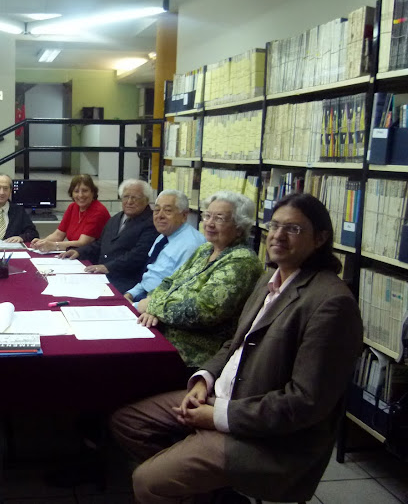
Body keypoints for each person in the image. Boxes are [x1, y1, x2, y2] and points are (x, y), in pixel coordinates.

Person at [110, 193, 363, 504]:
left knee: (147, 482)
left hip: (267, 437)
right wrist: (204, 379)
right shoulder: (271, 278)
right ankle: (209, 491)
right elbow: (235, 342)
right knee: (128, 422)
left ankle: (197, 480)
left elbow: (304, 403)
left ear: (320, 239)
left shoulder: (331, 303)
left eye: (293, 229)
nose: (278, 236)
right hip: (224, 394)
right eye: (275, 226)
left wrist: (217, 416)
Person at [137, 191, 263, 369]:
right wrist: (152, 305)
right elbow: (169, 282)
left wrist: (152, 306)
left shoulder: (241, 261)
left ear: (239, 226)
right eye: (208, 216)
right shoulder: (205, 249)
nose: (209, 223)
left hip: (192, 356)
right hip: (161, 332)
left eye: (219, 218)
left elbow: (203, 310)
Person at [59, 179, 159, 294]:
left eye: (135, 198)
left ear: (146, 200)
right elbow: (100, 244)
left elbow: (138, 255)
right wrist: (79, 252)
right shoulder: (116, 218)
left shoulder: (151, 223)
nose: (129, 201)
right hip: (101, 275)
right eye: (126, 197)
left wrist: (108, 267)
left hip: (124, 280)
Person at [124, 190, 206, 307]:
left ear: (184, 216)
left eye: (167, 211)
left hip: (159, 304)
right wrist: (130, 294)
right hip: (142, 296)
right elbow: (151, 273)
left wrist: (135, 306)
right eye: (157, 210)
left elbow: (178, 290)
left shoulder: (191, 245)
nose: (160, 216)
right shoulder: (162, 237)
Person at [30, 174, 110, 252]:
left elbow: (83, 243)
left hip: (94, 258)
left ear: (93, 192)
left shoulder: (98, 211)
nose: (80, 195)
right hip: (76, 254)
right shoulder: (73, 207)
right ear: (71, 193)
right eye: (76, 191)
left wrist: (53, 246)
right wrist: (42, 242)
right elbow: (58, 235)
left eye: (85, 191)